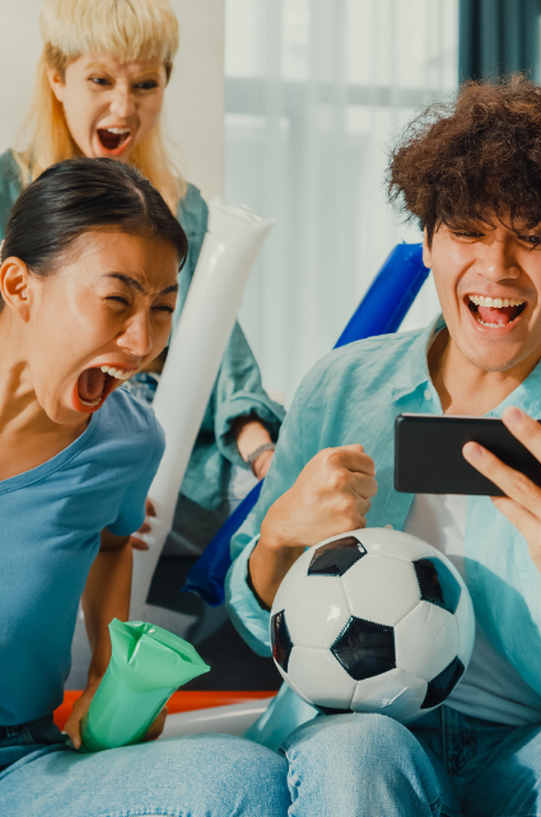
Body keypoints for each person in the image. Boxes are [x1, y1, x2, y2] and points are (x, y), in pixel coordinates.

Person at [225, 77, 541, 816]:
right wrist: (276, 538)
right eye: (467, 230)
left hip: (535, 742)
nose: (496, 267)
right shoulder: (338, 388)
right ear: (426, 241)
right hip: (365, 731)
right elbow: (260, 617)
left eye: (534, 237)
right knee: (355, 753)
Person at [0, 157, 289, 815]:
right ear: (19, 286)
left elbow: (111, 542)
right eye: (116, 301)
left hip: (20, 761)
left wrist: (108, 663)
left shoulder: (126, 441)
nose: (140, 343)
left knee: (243, 781)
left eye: (162, 310)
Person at [0, 0, 283, 554]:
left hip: (167, 436)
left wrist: (259, 445)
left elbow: (217, 339)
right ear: (58, 79)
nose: (123, 107)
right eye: (101, 80)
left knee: (271, 505)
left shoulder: (183, 209)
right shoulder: (8, 194)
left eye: (146, 85)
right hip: (45, 434)